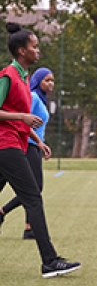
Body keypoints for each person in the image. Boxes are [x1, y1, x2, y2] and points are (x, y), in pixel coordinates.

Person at [0, 22, 81, 278]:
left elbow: (21, 117)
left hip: (17, 141)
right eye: (34, 47)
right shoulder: (8, 76)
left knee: (31, 195)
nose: (38, 51)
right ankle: (50, 261)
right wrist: (23, 117)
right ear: (22, 50)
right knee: (33, 196)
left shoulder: (23, 77)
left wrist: (36, 136)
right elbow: (14, 115)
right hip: (5, 144)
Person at [0, 67, 55, 239]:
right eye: (47, 80)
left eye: (52, 80)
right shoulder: (33, 97)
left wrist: (41, 142)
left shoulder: (41, 99)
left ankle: (29, 228)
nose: (51, 83)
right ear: (38, 81)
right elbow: (21, 118)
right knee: (34, 189)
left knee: (28, 187)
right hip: (26, 145)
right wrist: (37, 142)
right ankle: (4, 213)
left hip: (32, 145)